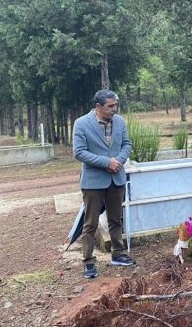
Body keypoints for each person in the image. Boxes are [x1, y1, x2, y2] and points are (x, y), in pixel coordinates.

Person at [73, 89, 135, 279]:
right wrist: (106, 162)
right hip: (93, 182)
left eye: (116, 105)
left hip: (116, 179)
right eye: (110, 106)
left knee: (116, 220)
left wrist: (119, 161)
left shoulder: (120, 121)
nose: (114, 109)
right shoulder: (82, 124)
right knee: (90, 223)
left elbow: (127, 144)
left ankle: (118, 253)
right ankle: (88, 261)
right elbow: (79, 152)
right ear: (98, 107)